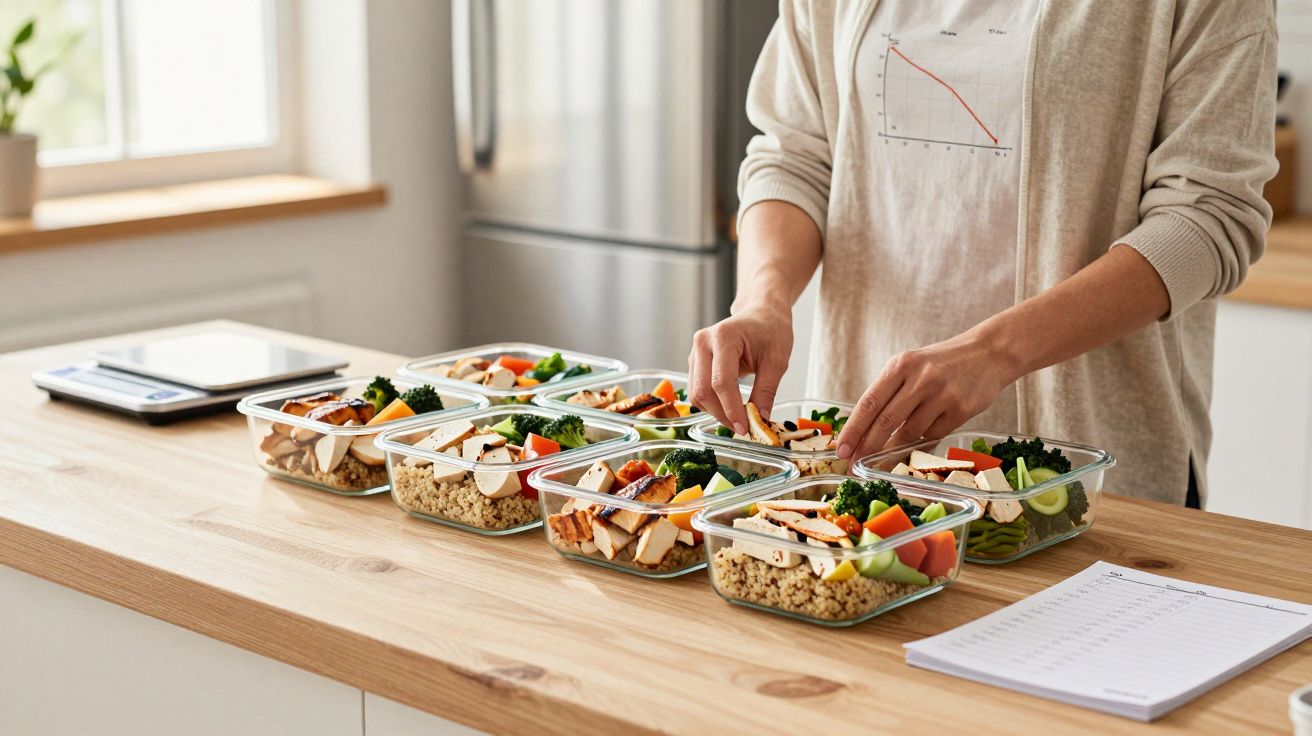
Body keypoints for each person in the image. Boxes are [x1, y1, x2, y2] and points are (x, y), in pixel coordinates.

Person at [687, 0, 1278, 506]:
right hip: (859, 468)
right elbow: (795, 155)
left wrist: (991, 353)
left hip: (1084, 486)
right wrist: (764, 301)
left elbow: (1207, 217)